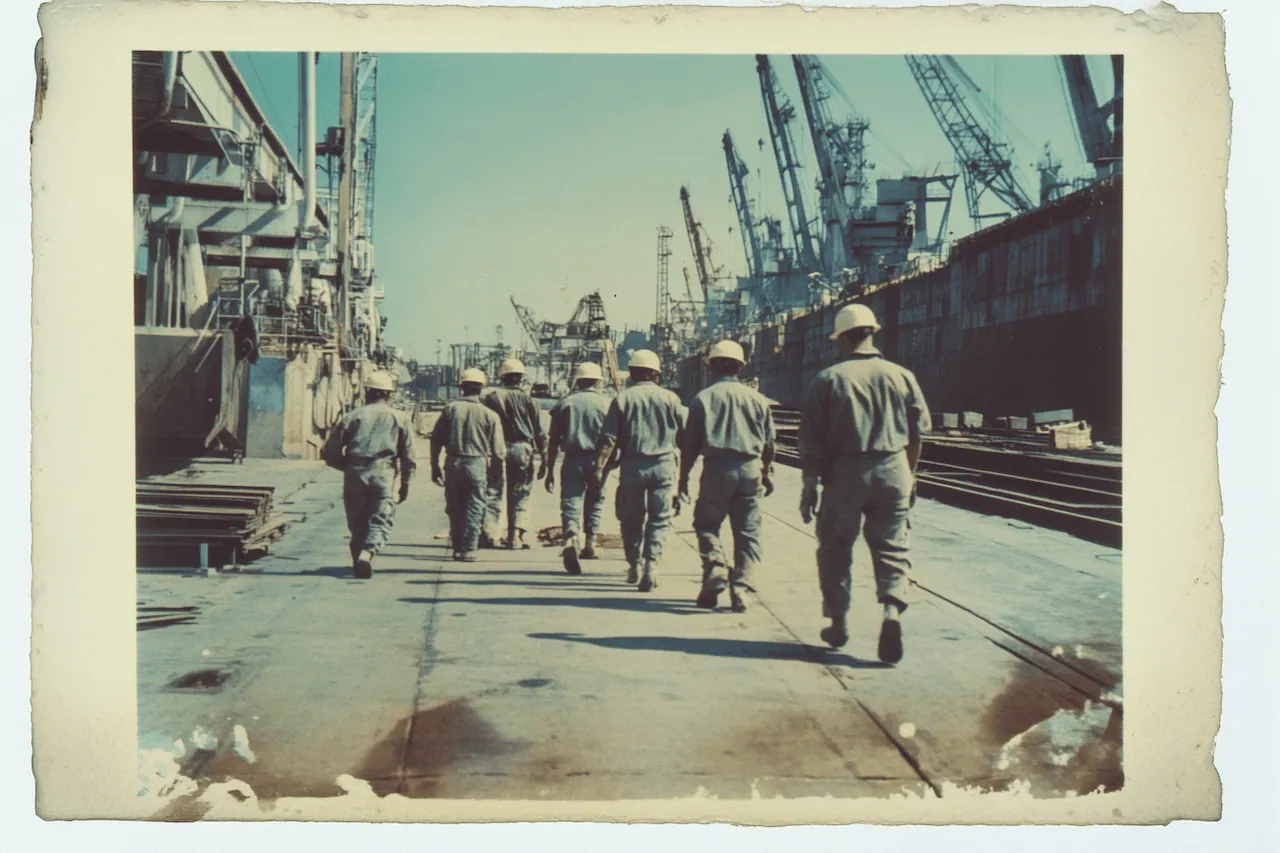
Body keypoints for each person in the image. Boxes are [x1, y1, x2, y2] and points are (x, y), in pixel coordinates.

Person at [798, 303, 930, 664]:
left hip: (846, 474)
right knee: (893, 547)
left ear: (841, 339)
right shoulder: (902, 376)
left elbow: (812, 442)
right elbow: (918, 435)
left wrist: (810, 487)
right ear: (873, 333)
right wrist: (910, 475)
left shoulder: (828, 379)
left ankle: (838, 621)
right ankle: (890, 611)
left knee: (835, 548)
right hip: (894, 468)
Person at [678, 341, 776, 612]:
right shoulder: (758, 400)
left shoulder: (702, 400)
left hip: (716, 470)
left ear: (710, 367)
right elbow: (769, 445)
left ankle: (715, 565)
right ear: (742, 366)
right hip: (750, 470)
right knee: (748, 533)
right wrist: (765, 474)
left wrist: (683, 479)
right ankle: (742, 590)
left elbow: (690, 447)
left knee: (707, 525)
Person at [595, 349, 686, 592]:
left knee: (630, 519)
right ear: (656, 374)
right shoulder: (671, 399)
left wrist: (600, 466)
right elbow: (687, 434)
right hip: (664, 466)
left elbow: (609, 439)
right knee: (659, 519)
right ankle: (651, 565)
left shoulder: (622, 399)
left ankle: (634, 564)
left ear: (632, 374)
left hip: (632, 466)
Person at [321, 370, 415, 579]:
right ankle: (367, 553)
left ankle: (358, 560)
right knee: (381, 518)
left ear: (367, 393)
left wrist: (347, 466)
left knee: (357, 520)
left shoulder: (352, 416)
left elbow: (329, 452)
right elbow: (408, 457)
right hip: (383, 472)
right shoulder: (400, 418)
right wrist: (405, 484)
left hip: (355, 471)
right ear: (389, 394)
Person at [429, 368, 506, 562]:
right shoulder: (490, 414)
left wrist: (434, 466)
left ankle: (457, 547)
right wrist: (496, 473)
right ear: (481, 388)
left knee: (455, 507)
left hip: (453, 462)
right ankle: (470, 548)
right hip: (477, 463)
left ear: (462, 387)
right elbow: (498, 451)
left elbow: (436, 439)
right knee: (476, 507)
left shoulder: (450, 409)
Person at [542, 361, 612, 574]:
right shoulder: (608, 404)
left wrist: (550, 470)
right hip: (599, 459)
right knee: (595, 501)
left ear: (578, 381)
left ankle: (572, 536)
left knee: (571, 501)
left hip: (572, 459)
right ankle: (590, 543)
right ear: (599, 380)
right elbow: (613, 438)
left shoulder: (565, 404)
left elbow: (553, 440)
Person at [481, 358, 546, 550]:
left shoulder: (491, 397)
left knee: (493, 491)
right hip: (522, 448)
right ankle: (515, 537)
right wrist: (544, 457)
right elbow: (538, 431)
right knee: (521, 493)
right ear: (521, 378)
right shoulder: (531, 401)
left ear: (502, 376)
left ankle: (490, 534)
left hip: (496, 449)